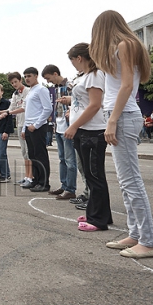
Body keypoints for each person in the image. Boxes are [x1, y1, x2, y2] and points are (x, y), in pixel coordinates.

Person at [90, 9, 153, 259]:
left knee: (131, 181)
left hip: (124, 116)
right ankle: (136, 234)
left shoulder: (125, 44)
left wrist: (112, 121)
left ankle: (149, 241)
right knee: (125, 180)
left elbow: (127, 85)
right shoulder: (123, 46)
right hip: (121, 116)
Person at [62, 43, 111, 231]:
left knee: (94, 175)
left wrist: (74, 125)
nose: (73, 65)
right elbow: (84, 102)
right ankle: (98, 212)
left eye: (73, 61)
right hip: (85, 130)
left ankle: (98, 219)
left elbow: (95, 105)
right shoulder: (86, 76)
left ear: (80, 58)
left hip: (92, 131)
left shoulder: (95, 75)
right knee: (92, 176)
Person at [42, 65, 77, 200]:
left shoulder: (70, 86)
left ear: (55, 74)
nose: (49, 81)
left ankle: (70, 188)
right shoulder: (56, 89)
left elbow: (79, 102)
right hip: (59, 126)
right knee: (62, 159)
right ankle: (64, 185)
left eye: (49, 78)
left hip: (68, 126)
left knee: (70, 160)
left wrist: (71, 109)